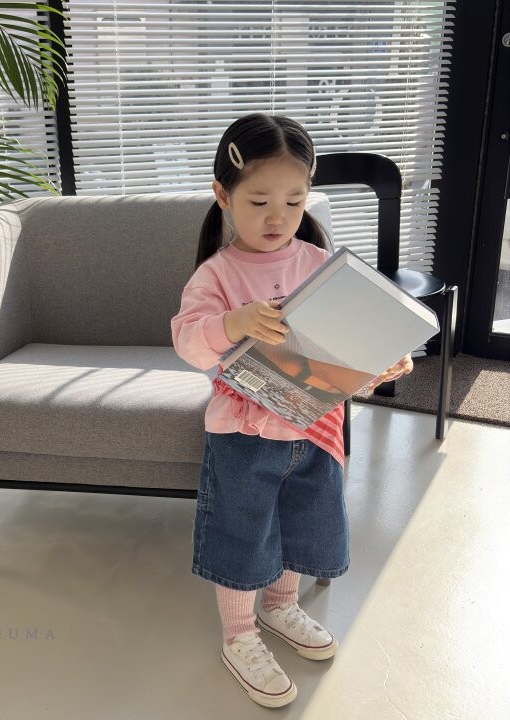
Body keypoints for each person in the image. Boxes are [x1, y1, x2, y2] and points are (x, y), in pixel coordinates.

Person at [171, 113, 412, 708]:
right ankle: (239, 634)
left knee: (303, 521)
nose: (277, 217)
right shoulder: (217, 274)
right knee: (243, 530)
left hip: (316, 426)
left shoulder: (316, 262)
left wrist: (382, 359)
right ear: (223, 195)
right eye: (258, 202)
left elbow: (347, 342)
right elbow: (189, 342)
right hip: (243, 434)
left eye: (294, 201)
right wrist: (234, 322)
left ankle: (281, 607)